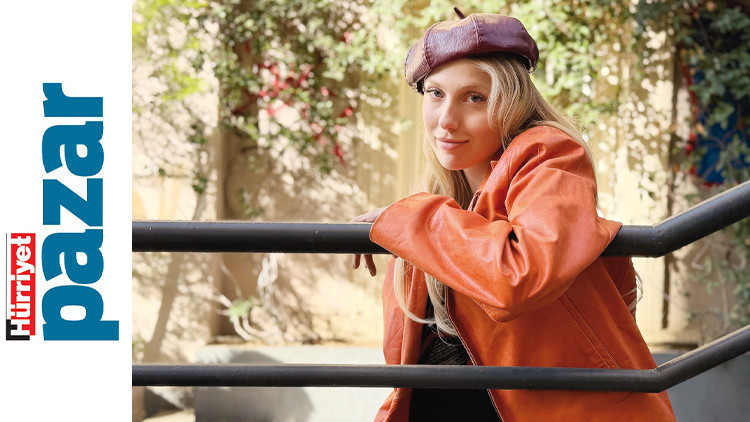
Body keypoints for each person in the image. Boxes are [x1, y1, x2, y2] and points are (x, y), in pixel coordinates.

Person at [352, 11, 677, 422]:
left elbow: (519, 274)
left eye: (475, 97)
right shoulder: (439, 205)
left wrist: (408, 219)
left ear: (513, 103)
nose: (446, 120)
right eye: (435, 93)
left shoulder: (549, 156)